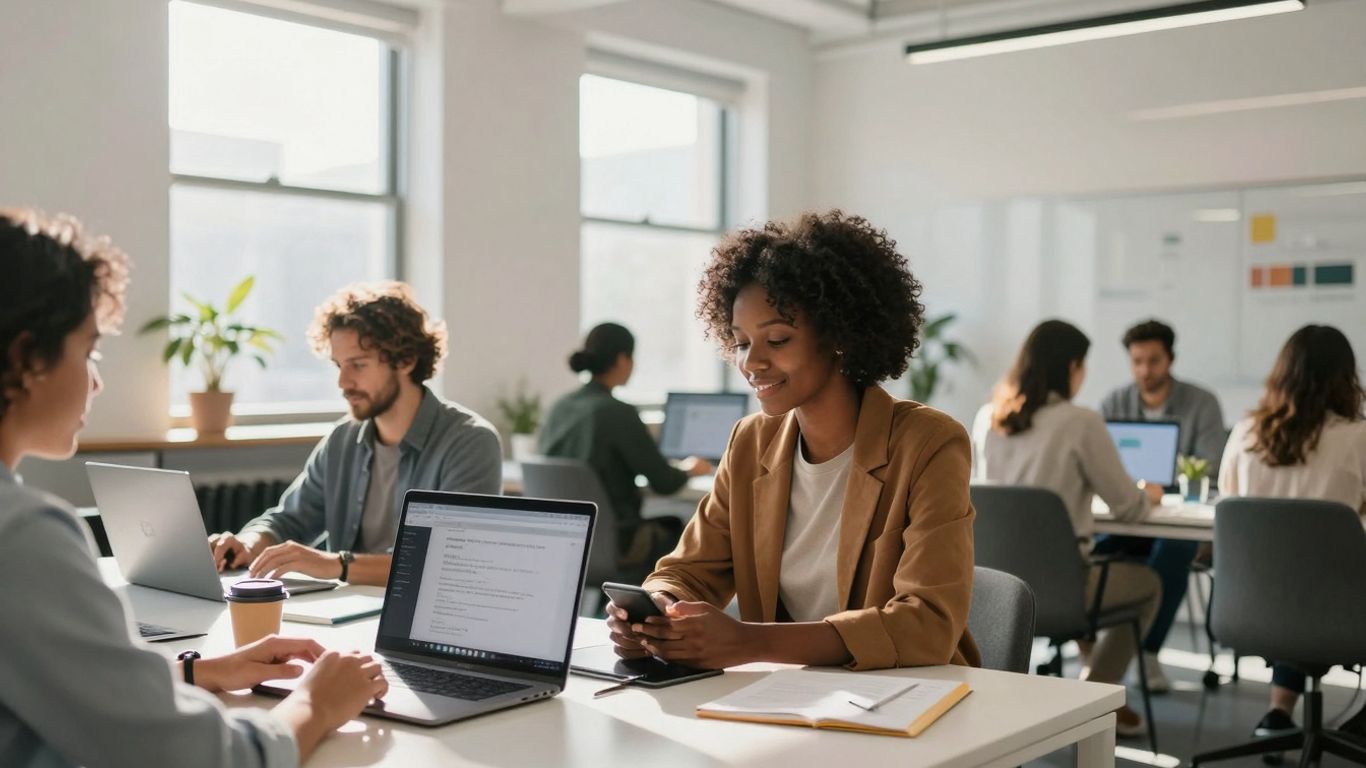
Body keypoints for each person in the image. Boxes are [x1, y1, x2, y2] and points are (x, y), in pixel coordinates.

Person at [0, 208, 387, 767]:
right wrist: (316, 702)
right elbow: (206, 759)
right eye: (89, 351)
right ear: (26, 358)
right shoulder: (22, 536)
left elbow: (35, 674)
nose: (98, 378)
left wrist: (194, 670)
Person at [606, 210, 980, 672]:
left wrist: (749, 642)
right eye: (741, 343)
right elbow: (688, 571)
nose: (752, 363)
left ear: (838, 335)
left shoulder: (928, 444)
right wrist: (657, 611)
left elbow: (927, 624)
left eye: (778, 339)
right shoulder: (750, 442)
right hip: (791, 699)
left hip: (910, 697)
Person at [208, 282, 502, 586]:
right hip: (346, 611)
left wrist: (336, 564)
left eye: (358, 365)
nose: (343, 382)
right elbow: (288, 520)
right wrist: (247, 543)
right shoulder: (342, 440)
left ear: (406, 360)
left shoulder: (470, 442)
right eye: (338, 365)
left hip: (425, 618)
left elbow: (446, 561)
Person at [972, 319, 1164, 738]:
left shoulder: (988, 418)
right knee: (1149, 583)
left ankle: (1083, 697)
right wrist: (1149, 494)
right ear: (1072, 366)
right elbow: (1127, 507)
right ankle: (1094, 698)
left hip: (995, 590)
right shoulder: (1080, 422)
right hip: (1065, 588)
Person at [1217, 325, 1366, 740]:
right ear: (1345, 378)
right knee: (1313, 572)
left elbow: (1230, 515)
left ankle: (1278, 710)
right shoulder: (1358, 439)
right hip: (1341, 611)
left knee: (1287, 567)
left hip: (1254, 606)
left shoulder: (1246, 434)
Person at [1097, 319, 1227, 692]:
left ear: (1170, 359)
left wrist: (1162, 485)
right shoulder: (1114, 402)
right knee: (1098, 549)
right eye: (1137, 361)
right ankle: (1103, 653)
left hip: (1179, 521)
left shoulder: (1201, 403)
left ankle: (1148, 652)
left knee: (1173, 549)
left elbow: (1212, 465)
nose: (1144, 371)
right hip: (1127, 514)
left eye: (1153, 361)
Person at [539, 322, 712, 574]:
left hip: (563, 542)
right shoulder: (618, 412)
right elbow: (664, 482)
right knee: (687, 529)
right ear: (622, 359)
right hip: (618, 542)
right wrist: (688, 470)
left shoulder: (560, 407)